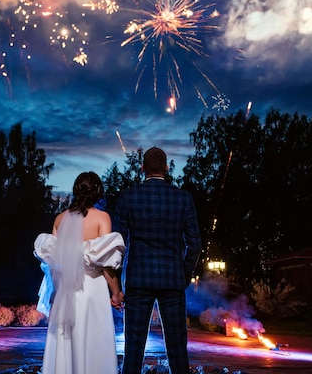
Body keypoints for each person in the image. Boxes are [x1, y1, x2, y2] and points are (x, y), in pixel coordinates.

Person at [114, 147, 201, 374]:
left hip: (139, 279)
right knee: (177, 348)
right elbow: (195, 244)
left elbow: (117, 245)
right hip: (172, 279)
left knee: (133, 346)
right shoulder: (183, 198)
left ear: (142, 168)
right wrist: (184, 274)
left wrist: (114, 282)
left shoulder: (128, 196)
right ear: (166, 168)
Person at [34, 171, 125, 374]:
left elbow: (54, 264)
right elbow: (107, 264)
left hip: (66, 291)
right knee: (93, 341)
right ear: (98, 193)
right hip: (92, 291)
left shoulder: (60, 219)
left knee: (65, 341)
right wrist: (117, 293)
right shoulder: (102, 218)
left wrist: (55, 293)